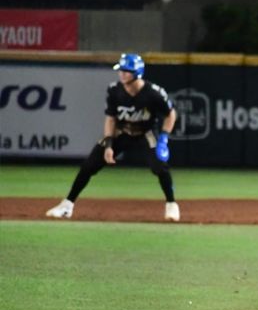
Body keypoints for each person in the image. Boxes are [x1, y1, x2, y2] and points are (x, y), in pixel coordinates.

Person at [46, 53, 180, 221]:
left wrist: (164, 139)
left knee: (160, 166)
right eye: (121, 70)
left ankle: (171, 205)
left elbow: (171, 114)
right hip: (121, 131)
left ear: (137, 72)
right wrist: (109, 144)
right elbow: (111, 118)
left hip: (146, 132)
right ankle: (67, 205)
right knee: (89, 165)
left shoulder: (153, 93)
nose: (122, 74)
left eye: (126, 71)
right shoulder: (114, 90)